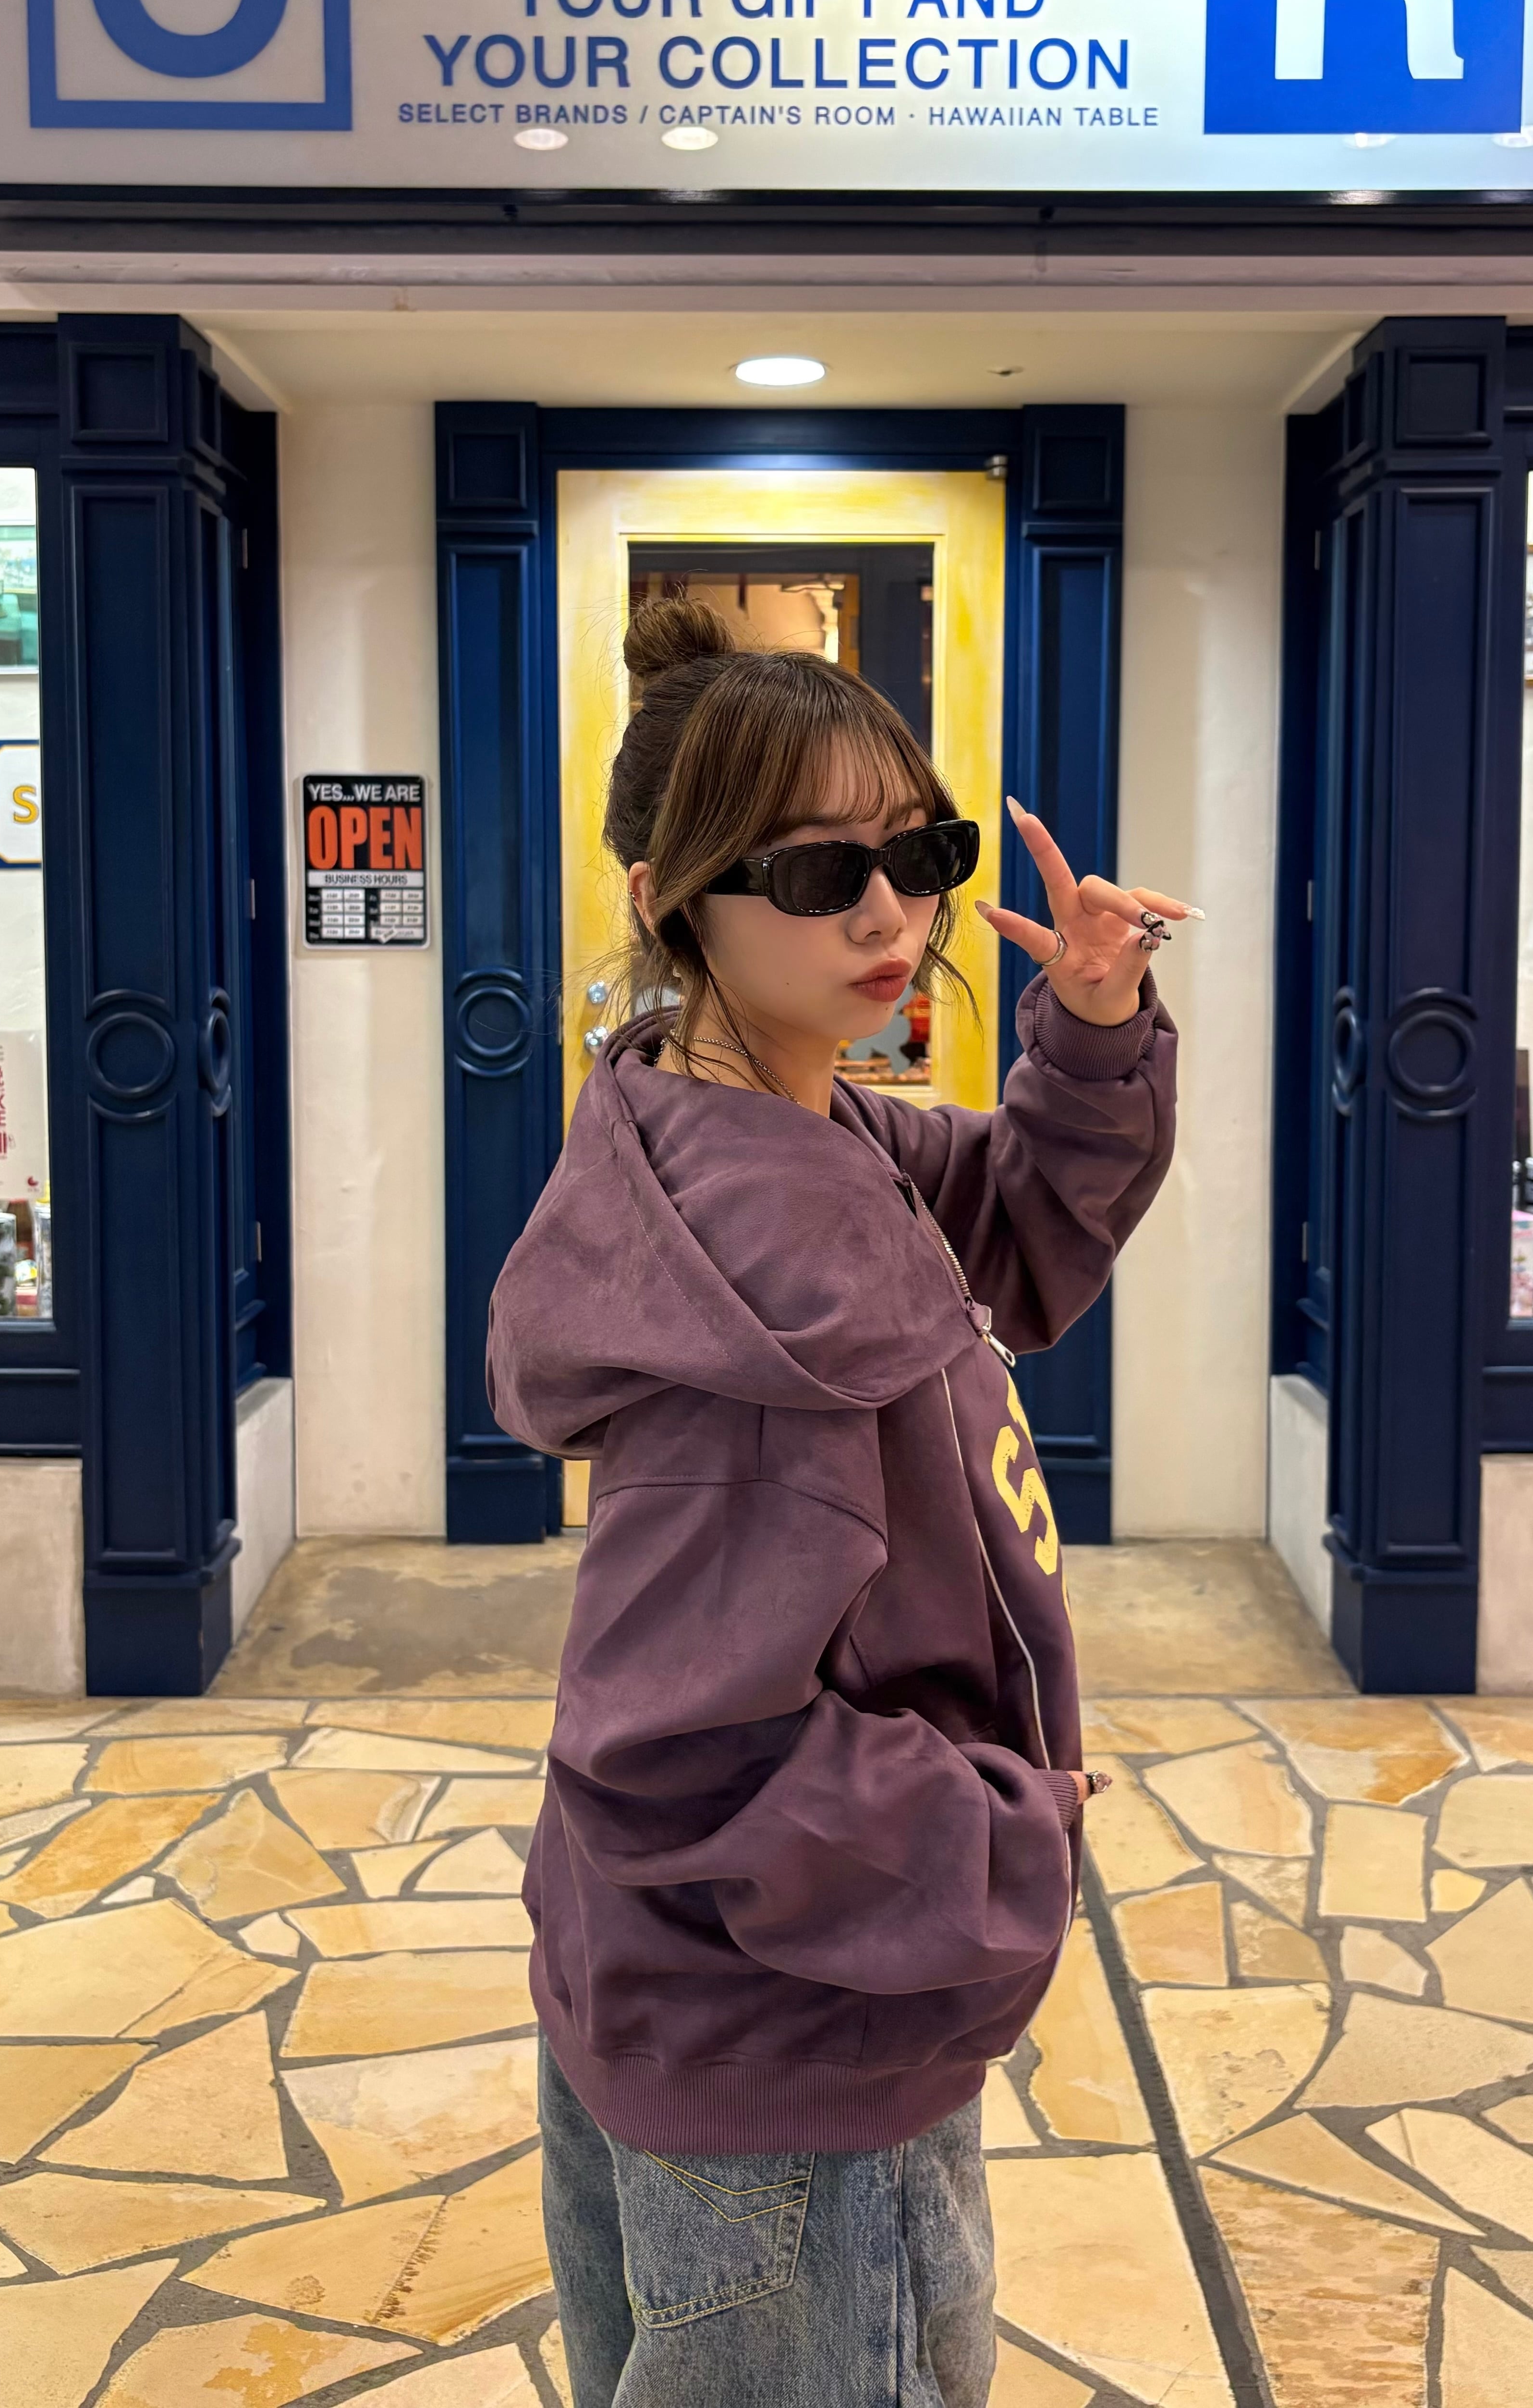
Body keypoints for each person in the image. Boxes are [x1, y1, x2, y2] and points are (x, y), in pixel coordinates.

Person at [486, 600, 1184, 2408]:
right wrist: (1005, 1833)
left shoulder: (772, 1125)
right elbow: (676, 1746)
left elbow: (1012, 1224)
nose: (890, 915)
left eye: (920, 852)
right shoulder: (772, 1285)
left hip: (699, 1989)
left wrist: (1089, 1021)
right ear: (669, 900)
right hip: (792, 2038)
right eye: (815, 872)